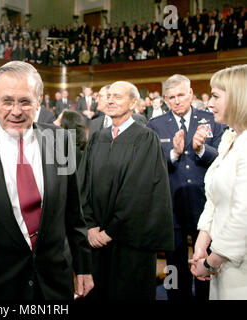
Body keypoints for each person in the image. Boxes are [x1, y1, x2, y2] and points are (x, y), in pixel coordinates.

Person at [0, 61, 93, 300]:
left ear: (39, 100)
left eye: (25, 101)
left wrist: (84, 267)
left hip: (55, 282)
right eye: (7, 101)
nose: (16, 111)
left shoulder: (61, 141)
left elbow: (74, 215)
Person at [78, 81, 174, 300]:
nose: (111, 100)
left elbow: (139, 192)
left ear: (134, 103)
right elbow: (82, 184)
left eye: (118, 96)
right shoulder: (97, 138)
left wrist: (111, 231)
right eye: (108, 95)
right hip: (96, 240)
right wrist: (91, 226)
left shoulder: (146, 138)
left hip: (129, 241)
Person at [147, 74, 224, 300]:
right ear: (165, 99)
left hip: (206, 206)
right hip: (172, 206)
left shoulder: (211, 119)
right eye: (171, 97)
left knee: (206, 264)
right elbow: (151, 165)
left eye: (181, 95)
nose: (177, 100)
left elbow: (222, 158)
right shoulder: (155, 125)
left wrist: (201, 149)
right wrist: (174, 154)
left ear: (191, 93)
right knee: (174, 266)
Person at [190, 64, 247, 300]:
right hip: (223, 263)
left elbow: (243, 214)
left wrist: (211, 262)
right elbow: (214, 199)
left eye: (215, 96)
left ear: (238, 96)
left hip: (238, 269)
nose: (208, 104)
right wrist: (203, 241)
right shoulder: (229, 138)